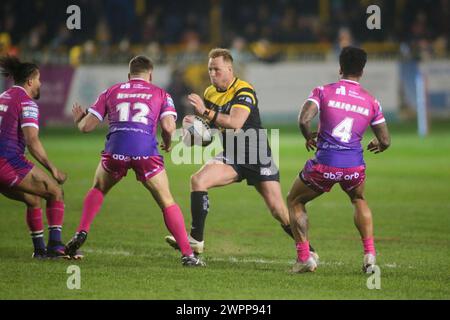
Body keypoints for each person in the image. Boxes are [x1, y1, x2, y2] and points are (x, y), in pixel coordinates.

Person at [165, 48, 317, 258]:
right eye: (210, 69)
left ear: (229, 68)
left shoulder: (244, 90)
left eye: (217, 69)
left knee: (279, 211)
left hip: (257, 155)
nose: (212, 73)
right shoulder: (209, 93)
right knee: (198, 180)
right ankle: (196, 240)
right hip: (232, 155)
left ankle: (309, 252)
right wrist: (195, 131)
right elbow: (211, 133)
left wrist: (204, 112)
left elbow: (235, 123)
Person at [65, 55, 204, 267]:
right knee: (166, 201)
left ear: (129, 76)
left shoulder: (111, 91)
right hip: (145, 153)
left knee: (98, 188)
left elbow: (86, 127)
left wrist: (78, 119)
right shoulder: (161, 94)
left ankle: (81, 231)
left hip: (116, 151)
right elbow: (168, 127)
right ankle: (187, 255)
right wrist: (167, 142)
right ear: (151, 75)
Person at [287, 46, 391, 273]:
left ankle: (304, 257)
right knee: (358, 199)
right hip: (354, 167)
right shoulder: (371, 101)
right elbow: (385, 140)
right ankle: (369, 255)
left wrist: (308, 137)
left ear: (340, 68)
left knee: (295, 200)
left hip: (325, 164)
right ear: (362, 71)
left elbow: (304, 120)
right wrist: (378, 144)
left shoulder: (323, 91)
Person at [0, 56, 67, 259]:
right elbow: (32, 140)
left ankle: (39, 250)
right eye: (39, 79)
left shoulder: (3, 96)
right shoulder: (26, 102)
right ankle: (55, 246)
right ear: (30, 81)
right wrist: (52, 168)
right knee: (56, 192)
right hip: (8, 162)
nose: (40, 84)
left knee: (32, 198)